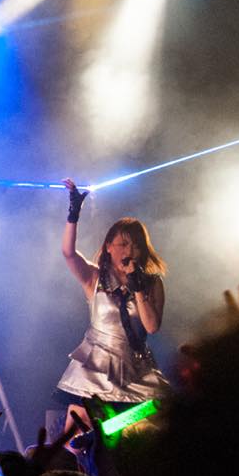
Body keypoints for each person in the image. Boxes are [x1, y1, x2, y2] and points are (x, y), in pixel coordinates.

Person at [53, 180, 169, 434]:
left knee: (149, 421)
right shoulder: (94, 278)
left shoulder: (152, 283)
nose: (130, 250)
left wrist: (137, 288)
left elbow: (151, 326)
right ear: (108, 247)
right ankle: (94, 442)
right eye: (123, 244)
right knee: (77, 430)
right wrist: (73, 215)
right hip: (96, 367)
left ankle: (110, 433)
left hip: (135, 368)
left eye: (136, 244)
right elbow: (68, 253)